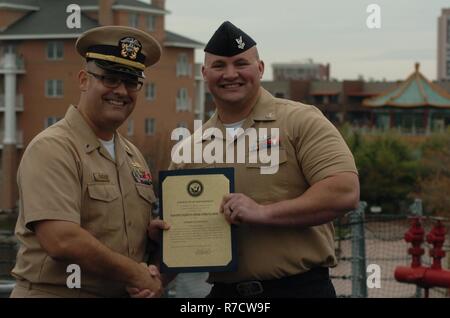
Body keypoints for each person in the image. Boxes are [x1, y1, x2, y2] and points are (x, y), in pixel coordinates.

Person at [166, 21, 360, 298]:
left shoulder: (301, 120)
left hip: (298, 289)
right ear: (204, 73)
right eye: (219, 66)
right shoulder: (191, 147)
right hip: (225, 295)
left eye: (241, 63)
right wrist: (158, 244)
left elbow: (344, 192)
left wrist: (262, 213)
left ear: (260, 68)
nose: (230, 74)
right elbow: (176, 230)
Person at [10, 26, 165, 298]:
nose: (121, 91)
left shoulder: (133, 156)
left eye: (131, 82)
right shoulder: (53, 148)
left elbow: (119, 232)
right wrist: (136, 274)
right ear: (83, 80)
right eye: (109, 78)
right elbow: (62, 240)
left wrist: (150, 239)